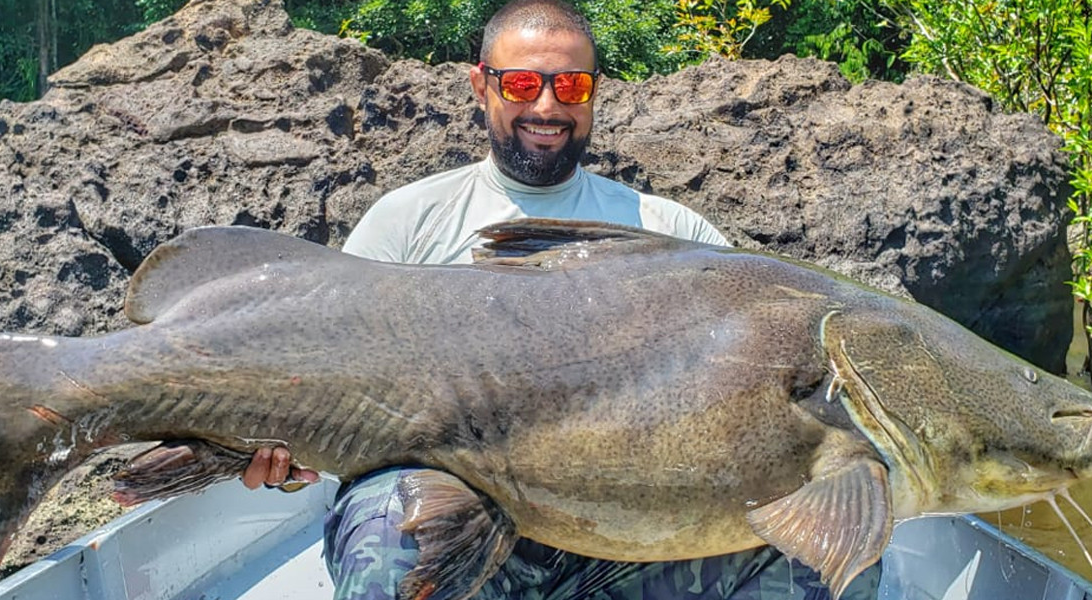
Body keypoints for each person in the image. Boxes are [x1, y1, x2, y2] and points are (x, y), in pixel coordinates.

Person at [241, 1, 875, 598]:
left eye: (571, 87)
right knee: (384, 525)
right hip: (456, 514)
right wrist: (278, 446)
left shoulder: (675, 234)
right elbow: (331, 383)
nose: (546, 106)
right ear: (480, 85)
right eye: (521, 84)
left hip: (630, 534)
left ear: (594, 93)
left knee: (830, 545)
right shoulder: (405, 225)